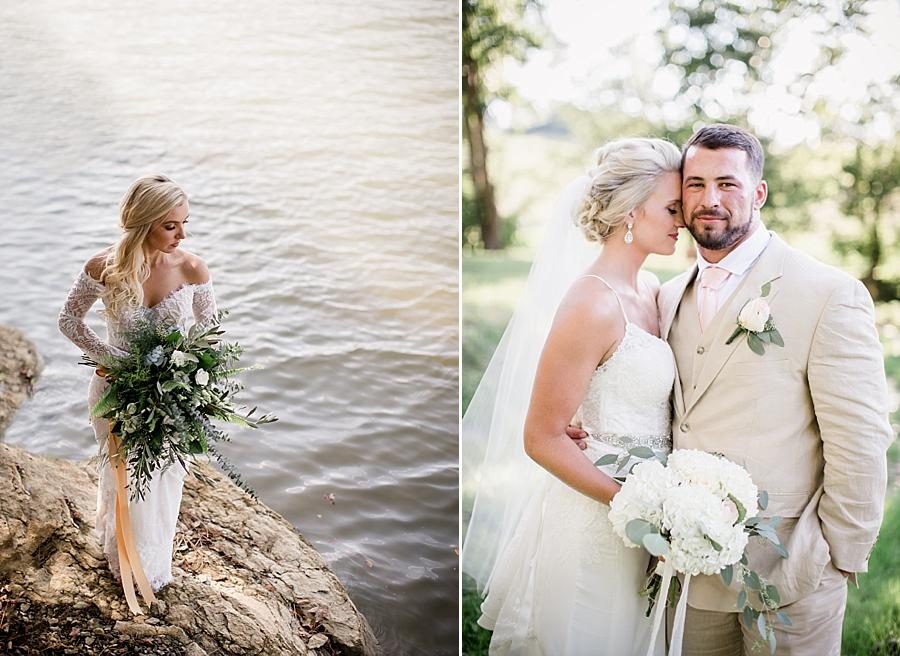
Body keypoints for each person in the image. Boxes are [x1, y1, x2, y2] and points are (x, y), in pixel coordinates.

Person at [654, 124, 892, 654]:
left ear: (758, 193)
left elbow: (860, 438)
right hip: (689, 574)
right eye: (695, 184)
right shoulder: (667, 297)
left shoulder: (827, 293)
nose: (709, 200)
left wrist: (838, 554)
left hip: (794, 571)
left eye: (727, 184)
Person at [461, 137, 683, 654]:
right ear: (630, 211)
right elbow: (541, 437)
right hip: (596, 521)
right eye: (671, 208)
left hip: (653, 516)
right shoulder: (591, 303)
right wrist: (634, 505)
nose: (683, 219)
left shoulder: (652, 289)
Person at [58, 174, 217, 604]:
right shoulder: (103, 267)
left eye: (185, 223)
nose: (182, 234)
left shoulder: (192, 267)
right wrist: (113, 358)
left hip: (169, 394)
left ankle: (152, 565)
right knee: (122, 475)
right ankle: (122, 560)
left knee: (164, 478)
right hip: (113, 391)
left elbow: (210, 332)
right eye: (171, 225)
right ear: (143, 221)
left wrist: (184, 372)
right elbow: (68, 321)